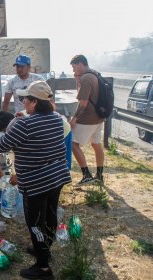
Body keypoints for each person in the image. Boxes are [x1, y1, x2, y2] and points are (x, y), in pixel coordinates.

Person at [0, 81, 71, 279]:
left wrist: (9, 128)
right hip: (56, 176)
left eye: (25, 98)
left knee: (35, 223)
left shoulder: (24, 124)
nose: (22, 101)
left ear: (35, 102)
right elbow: (39, 133)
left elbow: (0, 146)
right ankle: (44, 250)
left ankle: (43, 267)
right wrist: (22, 120)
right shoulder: (55, 118)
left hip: (36, 183)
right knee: (50, 216)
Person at [69, 54, 105, 184]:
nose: (74, 71)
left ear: (80, 64)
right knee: (96, 144)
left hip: (88, 118)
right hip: (99, 117)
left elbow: (83, 103)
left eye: (74, 67)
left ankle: (86, 174)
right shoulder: (95, 74)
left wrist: (74, 118)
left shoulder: (86, 78)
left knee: (73, 143)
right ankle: (100, 175)